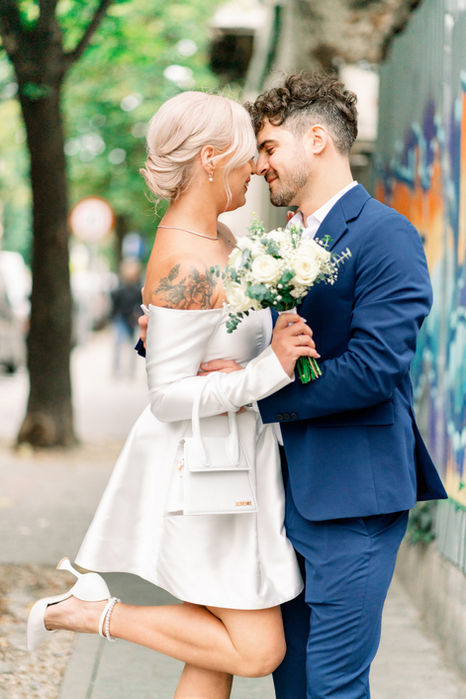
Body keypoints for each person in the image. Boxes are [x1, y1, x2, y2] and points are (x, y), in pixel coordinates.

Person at [26, 91, 319, 699]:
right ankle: (87, 612)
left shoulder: (221, 240)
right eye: (245, 157)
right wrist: (271, 368)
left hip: (235, 458)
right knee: (258, 648)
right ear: (211, 158)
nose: (256, 170)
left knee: (211, 649)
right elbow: (166, 398)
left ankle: (87, 610)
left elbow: (200, 350)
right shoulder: (185, 258)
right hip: (205, 475)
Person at [195, 73, 447, 698]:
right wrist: (168, 339)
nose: (259, 165)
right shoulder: (285, 242)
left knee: (333, 686)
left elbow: (374, 367)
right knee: (296, 679)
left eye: (270, 147)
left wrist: (258, 394)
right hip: (284, 496)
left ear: (316, 139)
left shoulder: (385, 234)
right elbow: (253, 340)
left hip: (352, 498)